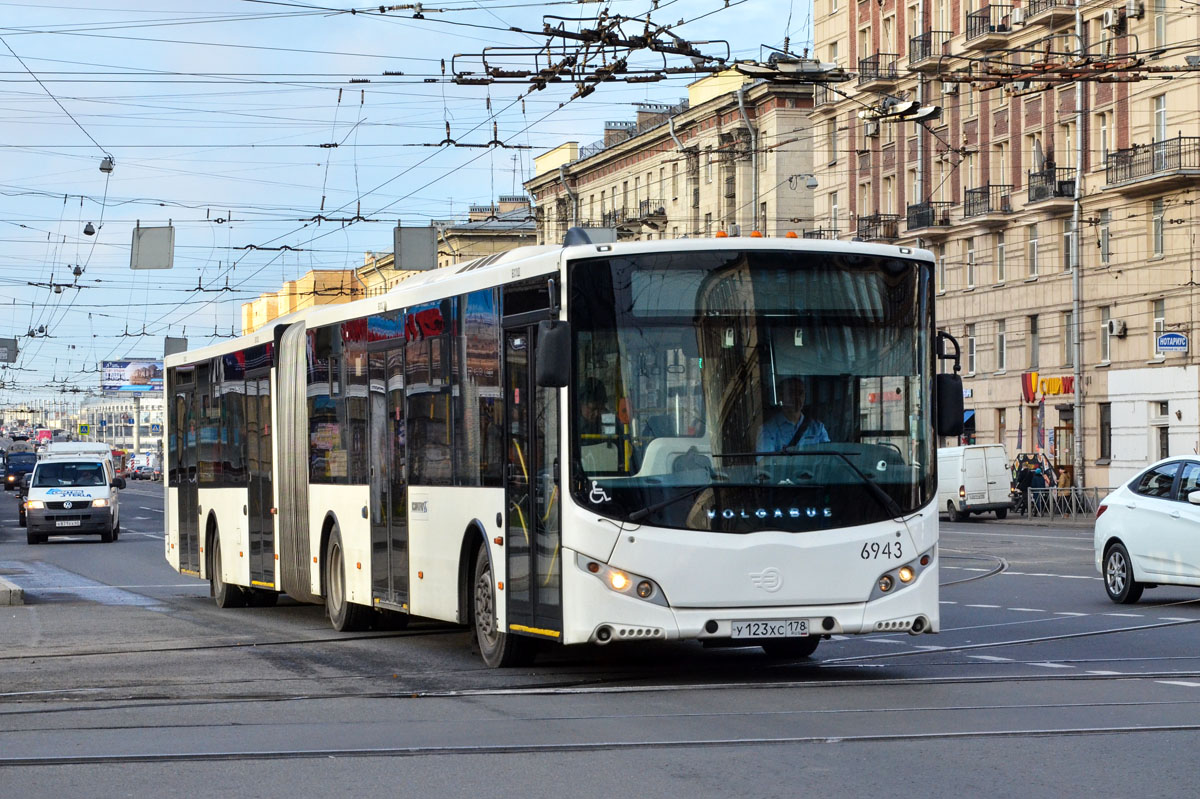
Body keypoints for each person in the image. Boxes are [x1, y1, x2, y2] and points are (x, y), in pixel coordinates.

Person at [756, 377, 830, 453]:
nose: (796, 397)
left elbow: (828, 458)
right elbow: (766, 462)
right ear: (780, 396)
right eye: (791, 393)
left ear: (804, 396)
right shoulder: (767, 430)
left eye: (800, 393)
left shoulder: (818, 429)